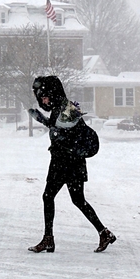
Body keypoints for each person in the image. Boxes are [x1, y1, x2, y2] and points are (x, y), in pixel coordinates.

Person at [26, 75, 116, 254]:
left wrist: (45, 122)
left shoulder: (66, 110)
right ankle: (103, 232)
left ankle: (48, 239)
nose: (43, 100)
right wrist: (43, 120)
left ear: (52, 93)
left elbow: (64, 133)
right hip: (72, 162)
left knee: (48, 196)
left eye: (44, 96)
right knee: (78, 200)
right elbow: (61, 130)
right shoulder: (64, 108)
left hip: (64, 162)